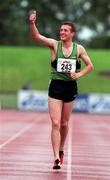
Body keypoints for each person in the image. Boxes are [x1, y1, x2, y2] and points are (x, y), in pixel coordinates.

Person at [29, 10, 94, 170]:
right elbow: (37, 37)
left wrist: (78, 74)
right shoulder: (54, 44)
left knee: (64, 123)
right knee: (55, 122)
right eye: (61, 30)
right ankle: (56, 158)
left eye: (65, 30)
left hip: (70, 87)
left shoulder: (79, 49)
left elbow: (90, 66)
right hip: (56, 86)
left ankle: (61, 149)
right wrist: (32, 23)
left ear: (72, 33)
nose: (61, 32)